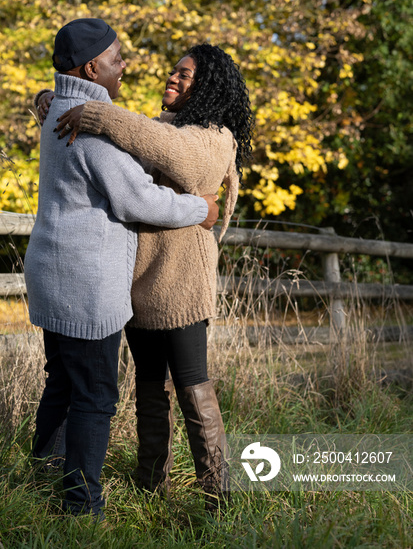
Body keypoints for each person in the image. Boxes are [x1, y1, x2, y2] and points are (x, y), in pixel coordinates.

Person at [36, 42, 254, 512]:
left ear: (208, 87)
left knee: (194, 387)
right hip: (139, 281)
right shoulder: (158, 126)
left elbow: (175, 155)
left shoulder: (214, 136)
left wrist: (96, 113)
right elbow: (114, 154)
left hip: (182, 280)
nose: (173, 79)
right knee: (149, 388)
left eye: (186, 75)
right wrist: (56, 103)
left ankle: (218, 496)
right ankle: (150, 485)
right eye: (173, 71)